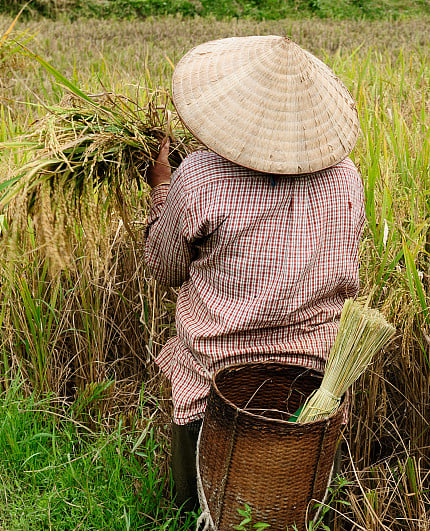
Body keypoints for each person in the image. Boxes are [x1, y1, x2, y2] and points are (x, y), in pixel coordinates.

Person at [144, 35, 365, 512]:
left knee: (198, 511)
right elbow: (349, 272)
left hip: (215, 382)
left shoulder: (200, 175)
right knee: (295, 510)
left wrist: (164, 189)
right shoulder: (346, 177)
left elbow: (164, 267)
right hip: (311, 380)